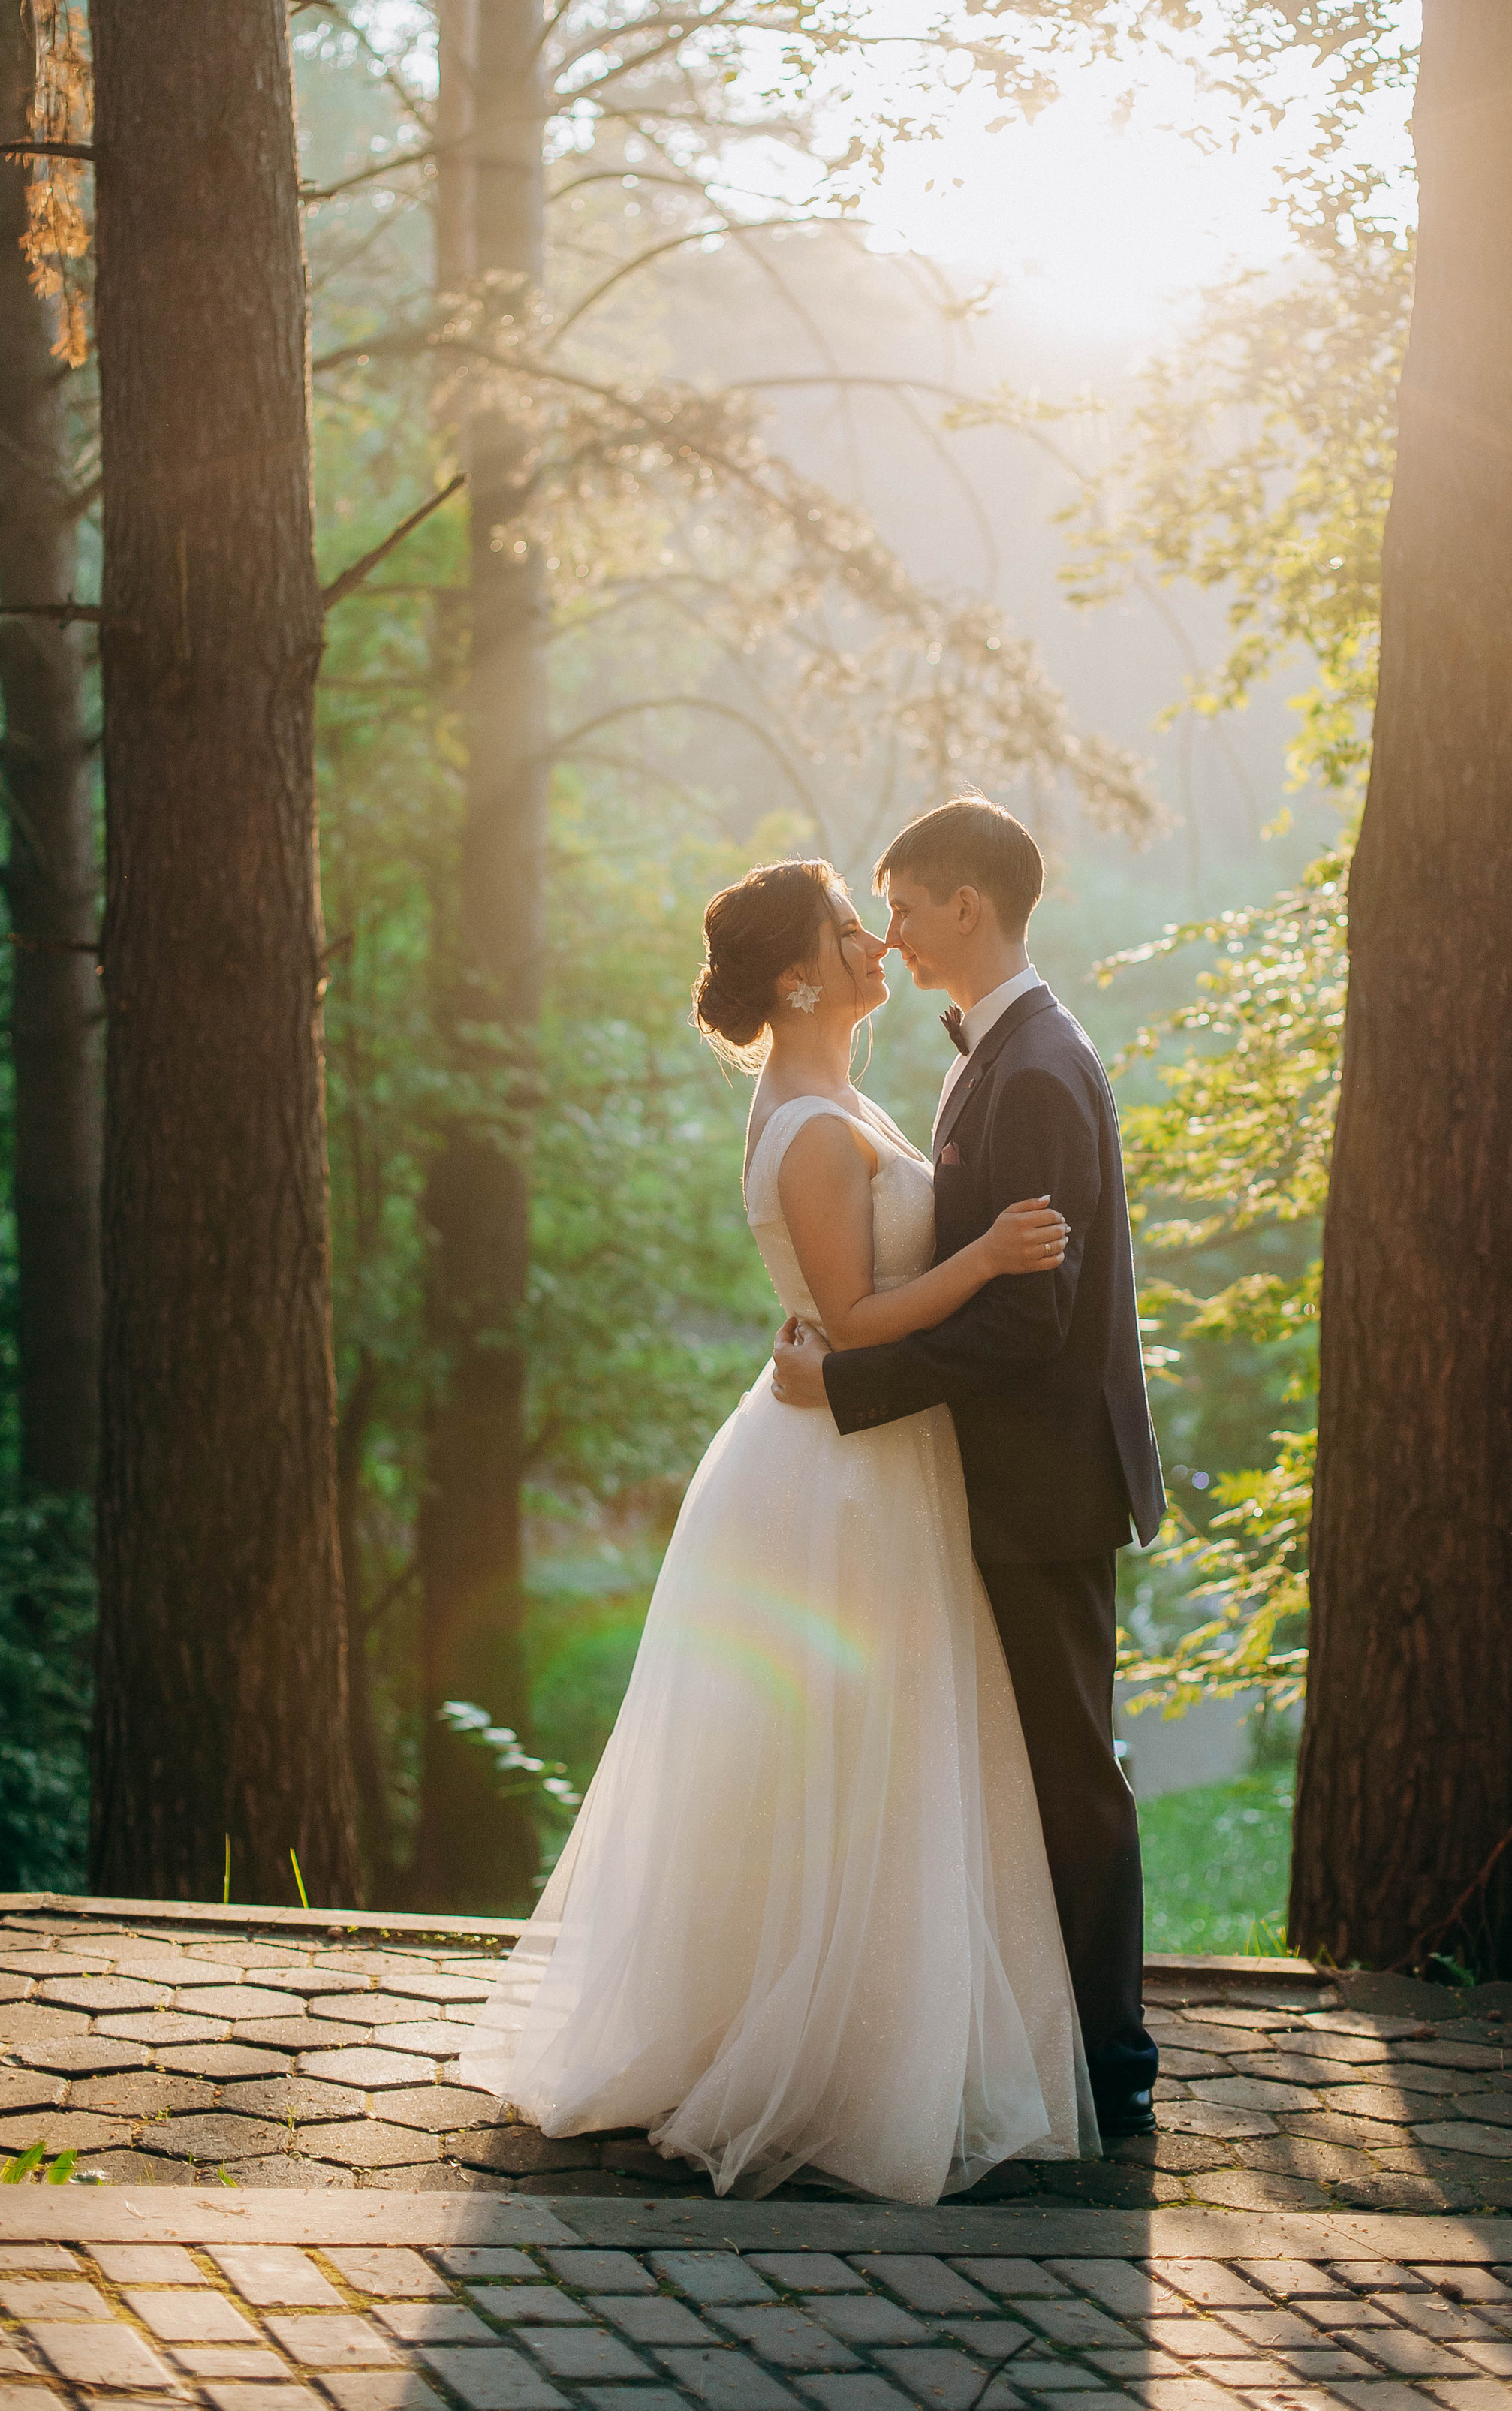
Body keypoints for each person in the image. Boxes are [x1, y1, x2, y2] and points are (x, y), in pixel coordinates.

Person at [457, 855, 1098, 2203]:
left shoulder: (835, 1097)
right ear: (800, 975)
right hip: (834, 1469)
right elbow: (855, 1320)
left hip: (868, 1446)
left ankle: (874, 2033)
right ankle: (811, 2050)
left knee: (874, 1752)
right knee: (838, 1752)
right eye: (848, 928)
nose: (877, 942)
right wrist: (983, 1260)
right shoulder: (811, 1124)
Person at [772, 796, 1165, 2136]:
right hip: (990, 1481)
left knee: (1068, 1774)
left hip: (1043, 1485)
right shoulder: (989, 1058)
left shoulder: (1039, 1070)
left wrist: (847, 1386)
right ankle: (1031, 2031)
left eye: (902, 903)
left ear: (966, 907)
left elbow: (1026, 1315)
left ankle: (1112, 2066)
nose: (889, 933)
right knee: (1009, 1767)